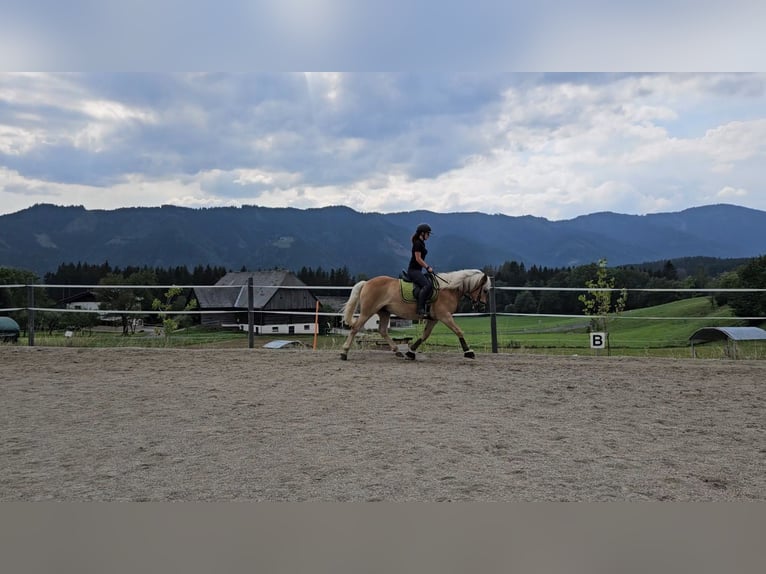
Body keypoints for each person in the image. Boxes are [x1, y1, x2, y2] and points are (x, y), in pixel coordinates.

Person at [407, 223, 435, 318]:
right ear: (422, 233)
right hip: (413, 270)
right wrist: (427, 267)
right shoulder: (418, 244)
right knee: (427, 285)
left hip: (417, 270)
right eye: (428, 234)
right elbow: (418, 259)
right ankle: (420, 308)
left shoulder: (421, 242)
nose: (429, 236)